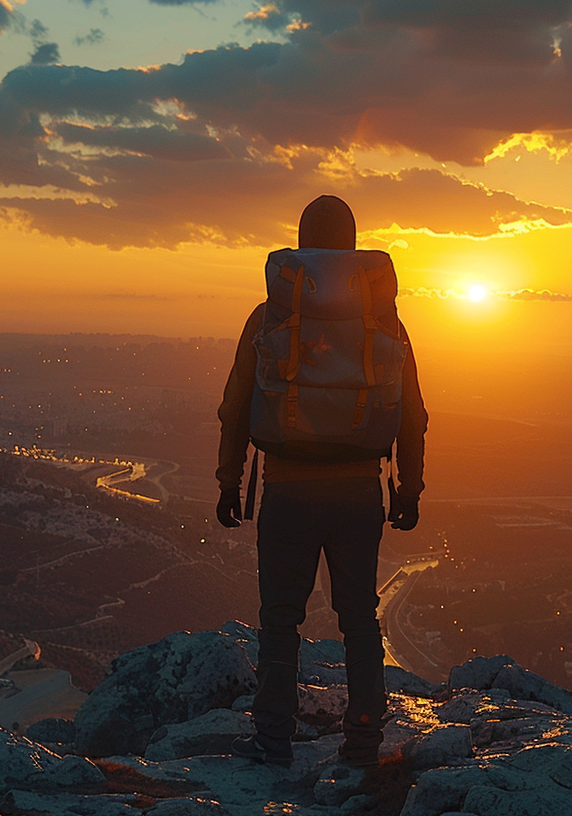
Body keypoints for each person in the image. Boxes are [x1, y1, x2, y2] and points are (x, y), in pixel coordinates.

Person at [216, 194, 428, 768]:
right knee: (359, 615)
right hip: (359, 490)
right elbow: (412, 413)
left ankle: (272, 740)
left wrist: (227, 482)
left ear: (303, 243)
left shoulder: (271, 315)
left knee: (280, 618)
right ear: (354, 245)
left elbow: (237, 404)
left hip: (287, 489)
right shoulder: (383, 321)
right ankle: (363, 740)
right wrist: (409, 490)